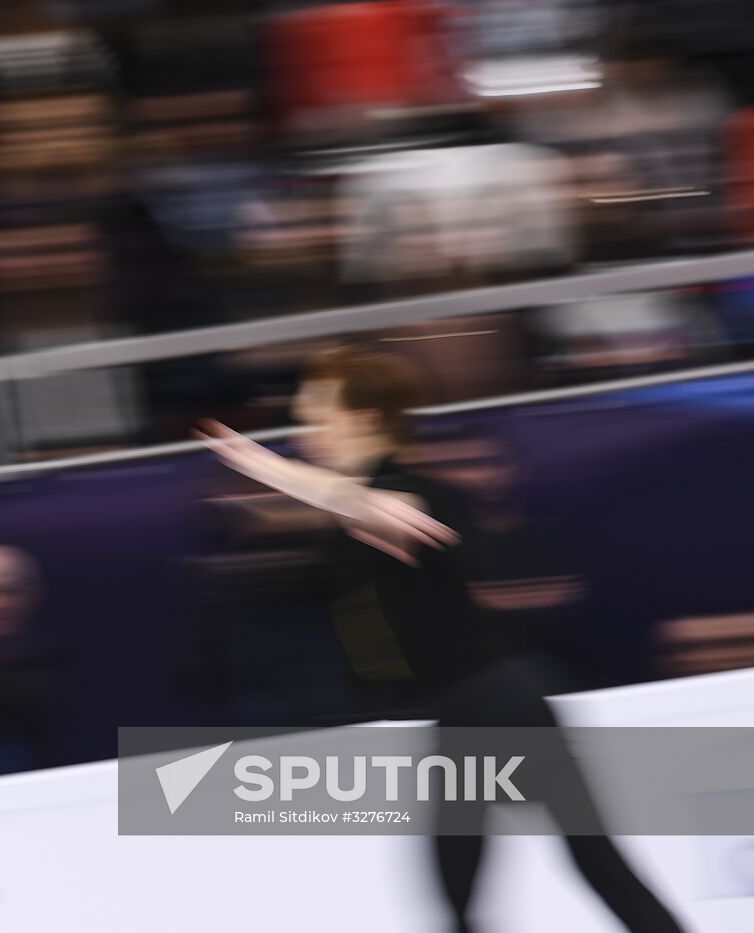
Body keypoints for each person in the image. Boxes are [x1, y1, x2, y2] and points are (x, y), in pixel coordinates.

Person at [196, 346, 684, 933]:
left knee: (565, 870)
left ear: (366, 417)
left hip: (495, 711)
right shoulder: (365, 500)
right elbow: (351, 509)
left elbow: (383, 511)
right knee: (545, 875)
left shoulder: (414, 494)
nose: (305, 433)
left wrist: (264, 466)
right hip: (477, 715)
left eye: (317, 415)